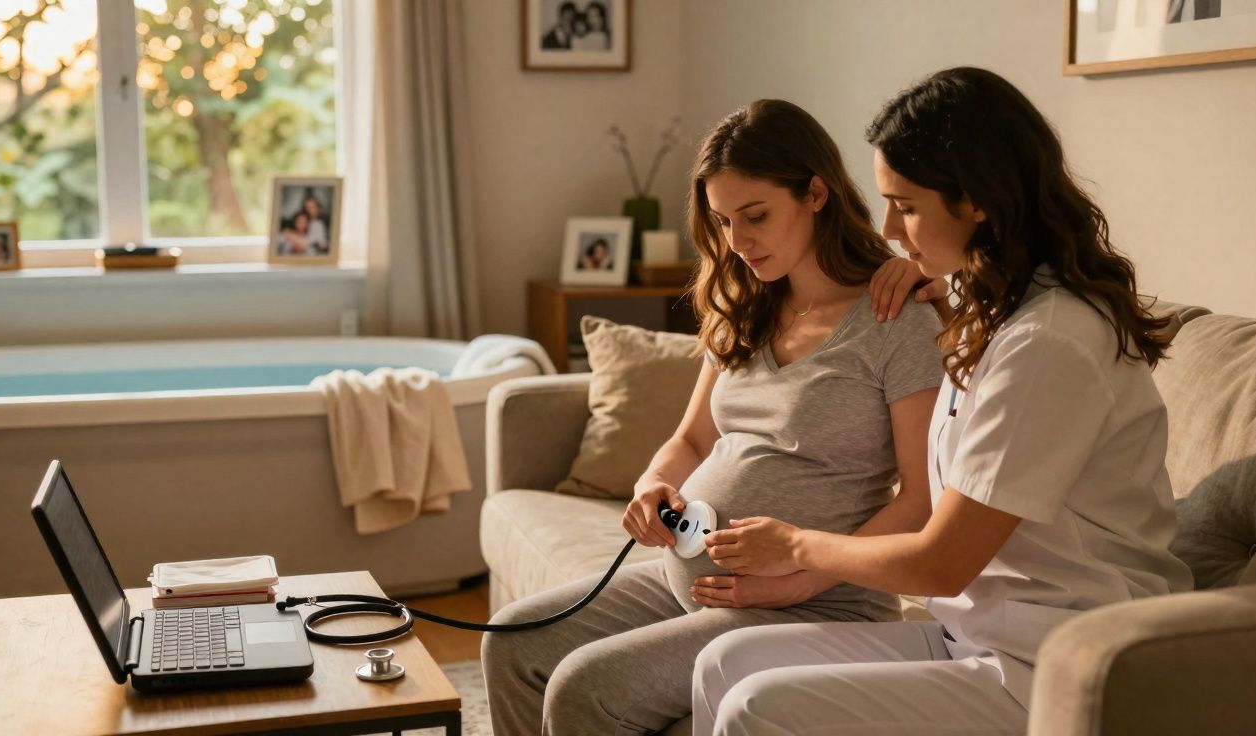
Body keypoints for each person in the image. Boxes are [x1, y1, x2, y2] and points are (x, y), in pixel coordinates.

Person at [691, 67, 1194, 736]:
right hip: (977, 633)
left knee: (755, 707)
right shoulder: (993, 306)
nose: (892, 229)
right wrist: (931, 271)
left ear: (978, 200)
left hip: (1057, 661)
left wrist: (796, 547)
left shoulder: (1052, 344)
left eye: (908, 205)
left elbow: (939, 561)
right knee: (723, 661)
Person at [482, 99, 945, 734]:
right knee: (512, 643)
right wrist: (652, 485)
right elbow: (692, 439)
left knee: (584, 688)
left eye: (756, 216)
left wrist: (800, 579)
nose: (739, 241)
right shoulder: (744, 305)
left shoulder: (896, 318)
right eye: (724, 221)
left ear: (816, 193)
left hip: (819, 604)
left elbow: (920, 502)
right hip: (699, 583)